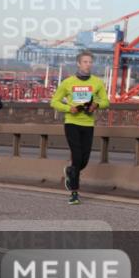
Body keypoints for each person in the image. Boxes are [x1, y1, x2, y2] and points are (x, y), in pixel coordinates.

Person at [49, 51, 110, 205]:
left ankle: (70, 171)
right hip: (72, 122)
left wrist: (96, 105)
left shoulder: (97, 82)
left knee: (84, 160)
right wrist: (69, 109)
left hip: (88, 124)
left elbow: (106, 102)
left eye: (90, 62)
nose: (88, 64)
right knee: (77, 156)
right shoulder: (68, 82)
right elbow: (54, 102)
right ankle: (74, 193)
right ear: (78, 63)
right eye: (85, 62)